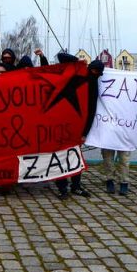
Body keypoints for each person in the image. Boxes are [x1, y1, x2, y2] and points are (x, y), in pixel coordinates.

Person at [43, 52, 99, 199]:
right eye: (92, 70)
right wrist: (77, 62)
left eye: (97, 73)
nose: (94, 74)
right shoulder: (73, 73)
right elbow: (61, 55)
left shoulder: (93, 84)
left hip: (77, 126)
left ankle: (76, 186)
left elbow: (91, 110)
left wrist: (85, 132)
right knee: (59, 156)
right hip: (60, 123)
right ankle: (62, 188)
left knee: (75, 157)